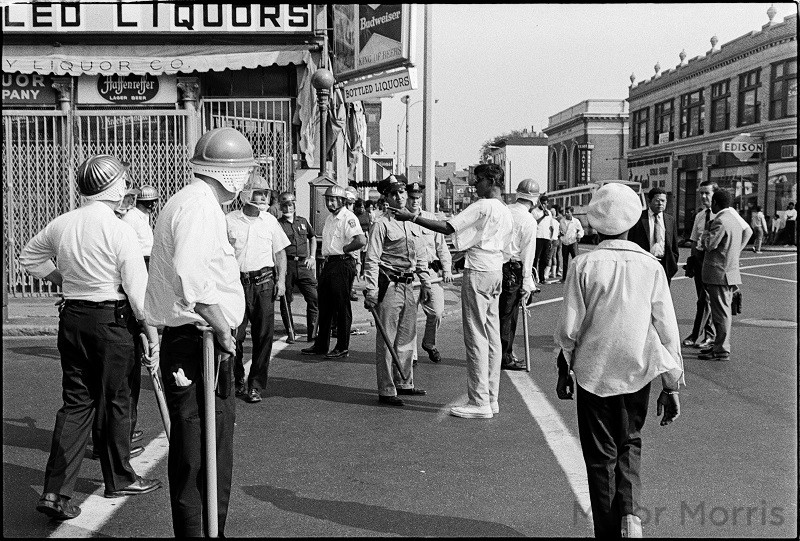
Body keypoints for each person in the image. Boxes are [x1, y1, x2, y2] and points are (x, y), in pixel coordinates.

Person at [22, 154, 162, 521]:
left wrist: (63, 281)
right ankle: (119, 477)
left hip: (72, 317)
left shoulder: (63, 223)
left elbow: (30, 258)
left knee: (76, 403)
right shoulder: (120, 230)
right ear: (115, 188)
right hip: (111, 321)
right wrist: (151, 333)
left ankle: (55, 491)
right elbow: (136, 291)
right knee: (117, 399)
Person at [554, 182, 683, 539]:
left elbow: (569, 329)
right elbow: (667, 330)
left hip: (594, 372)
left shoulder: (583, 264)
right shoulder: (651, 266)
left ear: (595, 222)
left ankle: (608, 532)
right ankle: (631, 515)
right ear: (635, 219)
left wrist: (564, 369)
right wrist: (671, 385)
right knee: (630, 441)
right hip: (638, 371)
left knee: (600, 457)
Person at [145, 127, 253, 536]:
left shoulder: (200, 203)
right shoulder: (198, 207)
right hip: (199, 341)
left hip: (204, 340)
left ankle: (213, 529)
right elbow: (194, 280)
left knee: (214, 449)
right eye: (242, 171)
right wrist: (224, 329)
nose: (245, 180)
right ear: (229, 173)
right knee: (197, 452)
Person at [389, 163, 513, 419]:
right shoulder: (505, 211)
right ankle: (491, 397)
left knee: (476, 336)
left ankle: (479, 401)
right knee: (492, 336)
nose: (474, 185)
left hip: (478, 271)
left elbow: (448, 227)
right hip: (495, 271)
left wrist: (411, 217)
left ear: (491, 181)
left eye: (478, 180)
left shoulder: (483, 206)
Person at [364, 175, 426, 406]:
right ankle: (387, 389)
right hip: (389, 285)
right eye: (394, 194)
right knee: (387, 340)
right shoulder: (382, 224)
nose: (400, 197)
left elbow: (419, 256)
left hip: (409, 285)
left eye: (402, 193)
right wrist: (371, 290)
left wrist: (426, 282)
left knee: (407, 338)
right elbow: (371, 259)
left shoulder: (411, 221)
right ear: (387, 197)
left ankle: (404, 382)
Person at [226, 175, 289, 402]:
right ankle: (237, 379)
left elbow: (280, 253)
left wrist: (281, 281)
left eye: (265, 193)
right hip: (236, 285)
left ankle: (256, 385)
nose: (263, 197)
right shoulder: (229, 220)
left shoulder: (270, 221)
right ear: (245, 194)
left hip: (263, 284)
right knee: (236, 335)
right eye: (257, 192)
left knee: (264, 336)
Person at [119, 183, 161, 457]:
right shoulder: (131, 219)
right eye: (147, 204)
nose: (150, 207)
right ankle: (120, 431)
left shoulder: (142, 218)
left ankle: (125, 427)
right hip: (139, 262)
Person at [301, 184, 366, 359]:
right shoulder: (331, 218)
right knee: (325, 304)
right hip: (329, 263)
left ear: (342, 201)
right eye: (328, 199)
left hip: (342, 263)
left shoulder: (348, 217)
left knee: (341, 305)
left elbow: (360, 240)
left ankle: (342, 346)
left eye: (333, 199)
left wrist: (346, 249)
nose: (330, 202)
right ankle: (321, 344)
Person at [698, 189, 752, 361]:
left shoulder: (720, 221)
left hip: (718, 273)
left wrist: (706, 231)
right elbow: (747, 233)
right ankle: (718, 345)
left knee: (721, 313)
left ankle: (721, 349)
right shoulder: (734, 220)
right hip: (728, 272)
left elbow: (709, 245)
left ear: (715, 203)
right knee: (723, 311)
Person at [405, 181, 453, 364]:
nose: (415, 201)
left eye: (418, 198)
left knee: (437, 312)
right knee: (409, 316)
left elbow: (442, 247)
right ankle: (412, 354)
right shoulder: (403, 219)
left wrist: (447, 268)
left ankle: (429, 343)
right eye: (412, 198)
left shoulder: (430, 218)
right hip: (412, 274)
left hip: (432, 273)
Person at [498, 179, 538, 371]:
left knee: (496, 313)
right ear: (534, 200)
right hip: (513, 269)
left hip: (496, 264)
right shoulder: (529, 221)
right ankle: (505, 356)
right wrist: (527, 283)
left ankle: (499, 352)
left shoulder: (504, 210)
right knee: (509, 314)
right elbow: (527, 254)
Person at [277, 191, 319, 343]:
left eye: (290, 204)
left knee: (314, 297)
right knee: (285, 299)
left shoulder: (302, 221)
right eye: (285, 205)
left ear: (294, 205)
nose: (288, 208)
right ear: (281, 207)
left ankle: (312, 333)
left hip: (303, 264)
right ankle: (290, 332)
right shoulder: (278, 224)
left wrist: (312, 257)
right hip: (287, 264)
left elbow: (312, 237)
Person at [627, 187, 680, 285]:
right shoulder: (638, 218)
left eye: (663, 201)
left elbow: (674, 245)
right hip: (643, 264)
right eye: (657, 200)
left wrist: (673, 261)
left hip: (664, 264)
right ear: (649, 201)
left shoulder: (670, 220)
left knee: (662, 297)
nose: (660, 204)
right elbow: (631, 241)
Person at [558, 206, 584, 282]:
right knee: (565, 261)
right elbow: (559, 230)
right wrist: (560, 234)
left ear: (572, 213)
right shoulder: (562, 221)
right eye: (565, 212)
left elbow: (581, 230)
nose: (566, 214)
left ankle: (578, 277)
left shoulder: (576, 221)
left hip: (573, 242)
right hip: (565, 243)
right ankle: (564, 278)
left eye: (568, 212)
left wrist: (579, 235)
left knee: (576, 260)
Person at [531, 194, 553, 284]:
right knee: (536, 258)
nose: (544, 206)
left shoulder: (549, 212)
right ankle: (533, 278)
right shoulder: (534, 212)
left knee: (544, 259)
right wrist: (543, 216)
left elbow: (550, 226)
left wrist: (551, 238)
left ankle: (542, 277)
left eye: (546, 204)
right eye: (543, 204)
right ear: (540, 203)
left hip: (546, 237)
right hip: (537, 237)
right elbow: (534, 223)